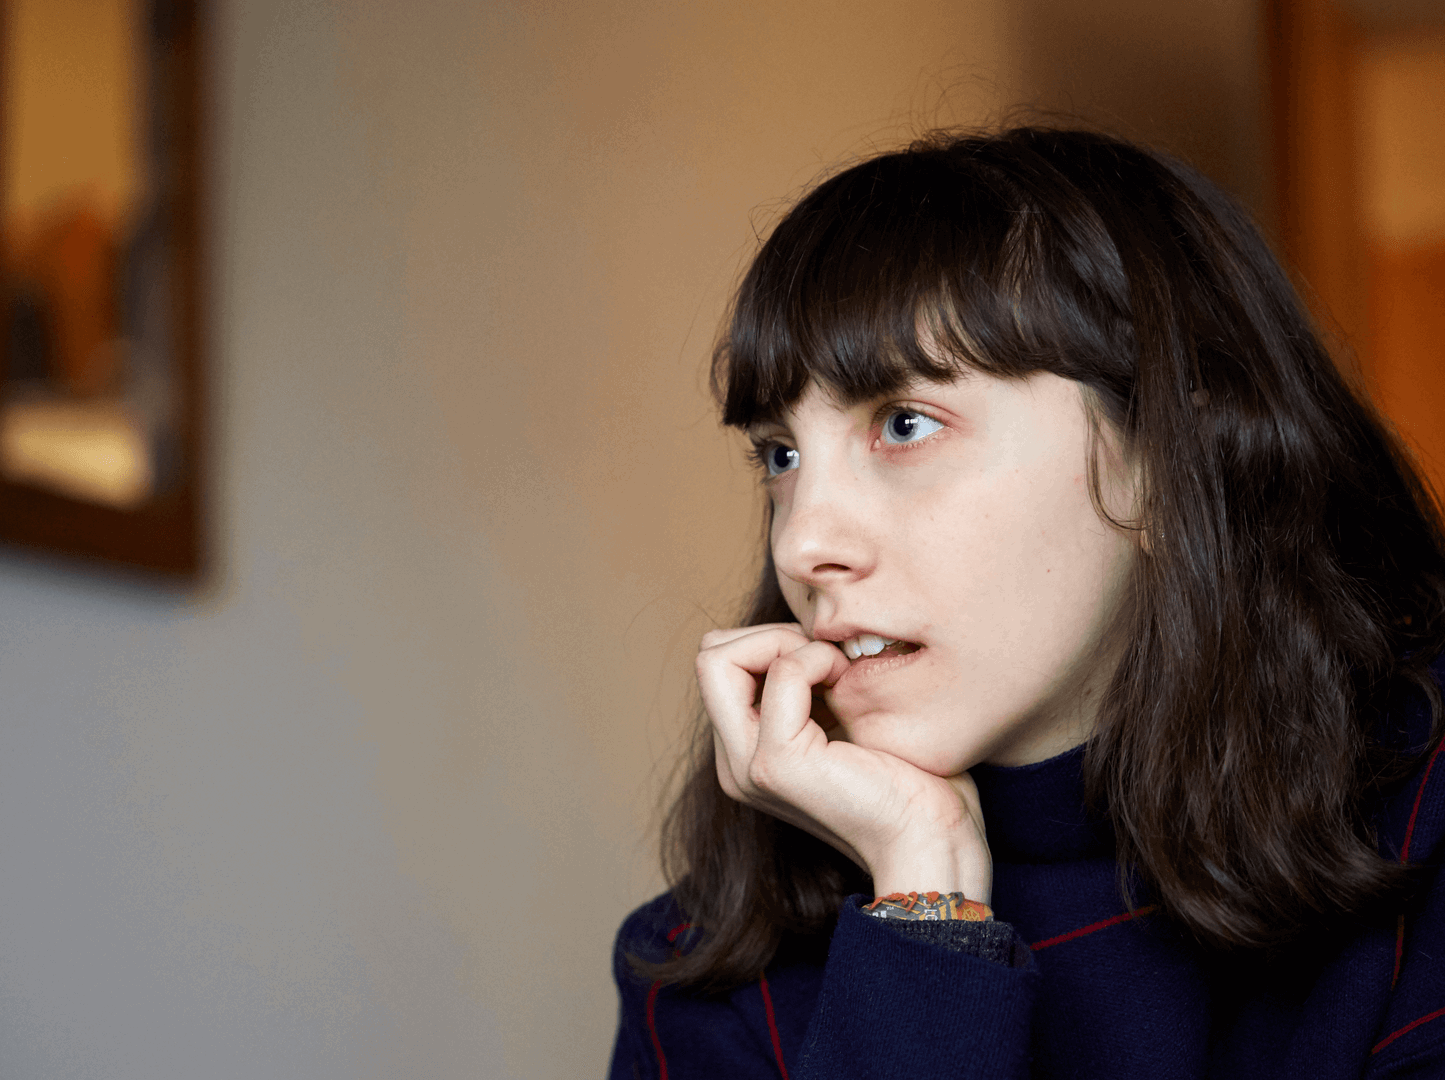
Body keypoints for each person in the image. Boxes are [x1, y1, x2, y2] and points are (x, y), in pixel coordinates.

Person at [607, 127, 1445, 1078]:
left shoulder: (1423, 835)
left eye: (904, 423)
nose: (802, 542)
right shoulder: (704, 975)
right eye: (781, 456)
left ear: (1173, 463)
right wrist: (925, 907)